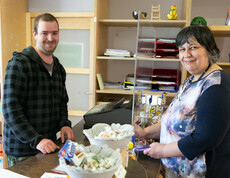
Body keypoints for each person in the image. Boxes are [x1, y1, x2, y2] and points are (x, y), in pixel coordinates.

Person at [134, 25, 230, 178]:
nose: (186, 54)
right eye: (182, 49)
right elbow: (173, 120)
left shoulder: (217, 85)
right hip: (176, 170)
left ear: (209, 48)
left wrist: (164, 150)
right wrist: (144, 132)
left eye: (193, 47)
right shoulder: (191, 80)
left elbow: (205, 138)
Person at [2, 13, 75, 167]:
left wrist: (64, 124)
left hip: (47, 146)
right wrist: (36, 140)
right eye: (44, 33)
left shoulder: (58, 68)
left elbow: (62, 102)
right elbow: (10, 110)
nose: (50, 38)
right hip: (22, 150)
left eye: (54, 33)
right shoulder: (19, 64)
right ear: (35, 34)